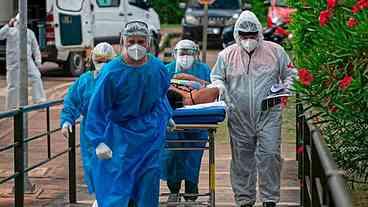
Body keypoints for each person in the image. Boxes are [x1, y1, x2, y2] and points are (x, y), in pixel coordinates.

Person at [208, 11, 297, 207]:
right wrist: (220, 87)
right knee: (242, 159)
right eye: (244, 36)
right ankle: (244, 199)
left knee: (270, 155)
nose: (249, 40)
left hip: (269, 114)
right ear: (237, 35)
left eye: (252, 35)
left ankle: (270, 199)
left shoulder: (275, 51)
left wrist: (284, 88)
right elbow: (216, 77)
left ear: (259, 33)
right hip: (239, 115)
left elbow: (291, 74)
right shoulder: (227, 55)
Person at [85, 20, 172, 207]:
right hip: (120, 138)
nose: (136, 46)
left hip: (150, 136)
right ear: (122, 42)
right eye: (131, 41)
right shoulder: (111, 72)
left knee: (148, 186)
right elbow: (97, 109)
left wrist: (167, 114)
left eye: (141, 42)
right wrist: (98, 141)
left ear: (148, 43)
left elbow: (160, 96)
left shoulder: (158, 68)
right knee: (118, 189)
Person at [60, 42, 115, 207]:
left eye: (107, 60)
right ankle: (101, 198)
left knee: (115, 167)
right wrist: (66, 120)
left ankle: (110, 200)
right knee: (93, 167)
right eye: (99, 59)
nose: (103, 63)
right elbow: (72, 101)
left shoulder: (118, 79)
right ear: (92, 60)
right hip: (90, 133)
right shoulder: (84, 80)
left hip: (114, 130)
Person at [161, 39, 211, 205]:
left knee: (193, 155)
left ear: (195, 54)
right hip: (172, 121)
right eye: (182, 53)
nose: (185, 57)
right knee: (172, 154)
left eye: (189, 53)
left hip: (198, 121)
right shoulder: (166, 70)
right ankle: (173, 189)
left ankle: (191, 188)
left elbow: (211, 90)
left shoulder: (203, 69)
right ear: (175, 54)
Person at [0, 14, 46, 110]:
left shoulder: (29, 33)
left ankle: (39, 101)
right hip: (14, 63)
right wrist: (8, 25)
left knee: (36, 77)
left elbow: (35, 48)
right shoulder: (10, 31)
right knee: (13, 85)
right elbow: (0, 35)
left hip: (27, 61)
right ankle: (11, 108)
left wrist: (38, 61)